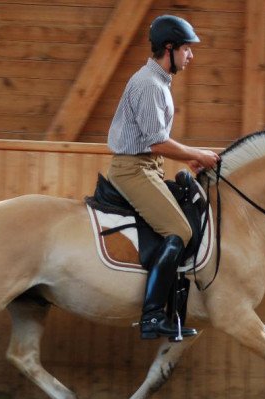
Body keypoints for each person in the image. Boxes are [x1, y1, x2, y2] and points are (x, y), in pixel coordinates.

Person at [107, 15, 220, 340]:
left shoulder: (157, 83)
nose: (191, 55)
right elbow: (156, 141)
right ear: (168, 49)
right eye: (187, 49)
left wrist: (190, 156)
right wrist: (195, 154)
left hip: (148, 166)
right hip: (133, 170)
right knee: (179, 229)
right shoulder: (149, 84)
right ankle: (153, 316)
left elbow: (154, 145)